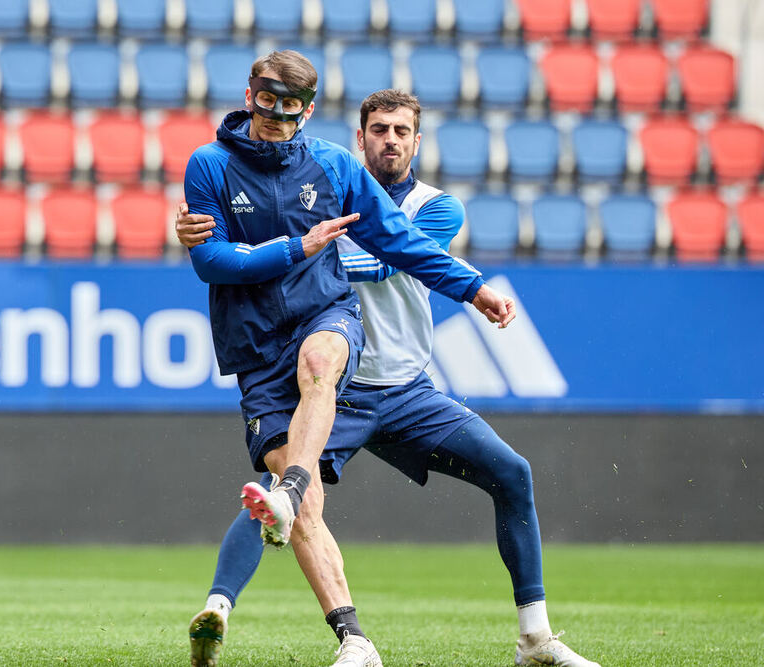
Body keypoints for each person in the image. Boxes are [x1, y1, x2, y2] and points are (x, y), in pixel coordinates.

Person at [182, 90, 601, 667]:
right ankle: (226, 608)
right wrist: (210, 234)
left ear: (417, 141)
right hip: (335, 389)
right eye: (378, 129)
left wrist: (298, 249)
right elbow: (251, 237)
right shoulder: (325, 187)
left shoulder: (436, 206)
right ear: (360, 139)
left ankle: (536, 639)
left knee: (512, 472)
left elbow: (392, 256)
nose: (390, 140)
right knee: (287, 499)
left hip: (406, 389)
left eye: (402, 131)